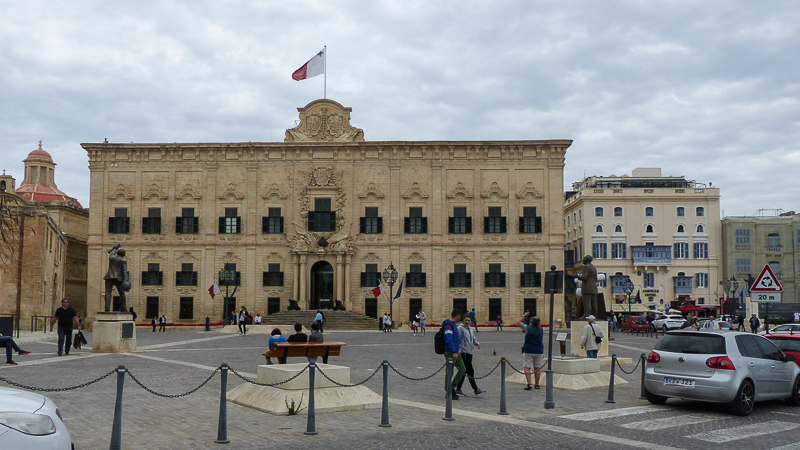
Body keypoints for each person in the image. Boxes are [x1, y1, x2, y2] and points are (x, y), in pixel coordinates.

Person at [455, 314, 485, 397]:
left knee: (464, 371)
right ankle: (475, 389)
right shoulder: (460, 329)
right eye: (465, 320)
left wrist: (477, 343)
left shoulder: (471, 329)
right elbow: (457, 340)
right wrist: (457, 352)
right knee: (470, 371)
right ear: (463, 320)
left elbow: (473, 339)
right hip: (463, 353)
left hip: (470, 352)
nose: (467, 322)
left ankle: (458, 389)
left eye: (468, 320)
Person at [442, 309, 465, 401]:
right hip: (451, 352)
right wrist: (454, 352)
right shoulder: (448, 325)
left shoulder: (453, 325)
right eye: (460, 316)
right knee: (449, 371)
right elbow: (448, 339)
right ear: (458, 315)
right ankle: (448, 389)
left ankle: (452, 386)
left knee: (463, 369)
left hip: (456, 351)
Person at [519, 312, 544, 390]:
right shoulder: (541, 329)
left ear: (531, 322)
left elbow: (519, 322)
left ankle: (529, 384)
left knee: (527, 367)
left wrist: (524, 316)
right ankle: (537, 384)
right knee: (537, 368)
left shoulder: (527, 328)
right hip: (539, 350)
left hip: (529, 349)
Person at [103, 244, 130, 312]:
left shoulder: (111, 258)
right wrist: (126, 280)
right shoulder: (123, 261)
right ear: (123, 254)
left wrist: (115, 248)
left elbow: (112, 253)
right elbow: (125, 271)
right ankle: (123, 308)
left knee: (108, 292)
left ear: (117, 253)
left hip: (109, 277)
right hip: (118, 278)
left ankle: (107, 308)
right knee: (121, 293)